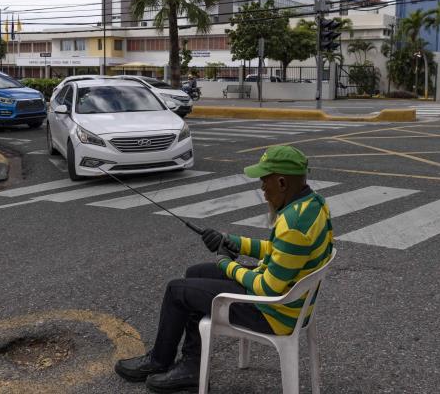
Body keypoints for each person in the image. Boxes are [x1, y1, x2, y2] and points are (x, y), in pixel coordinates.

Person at [114, 145, 334, 393]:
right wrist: (231, 241)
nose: (262, 189)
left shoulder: (293, 224)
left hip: (273, 312)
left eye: (265, 181)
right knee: (196, 273)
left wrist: (227, 265)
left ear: (282, 182)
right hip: (289, 301)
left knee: (177, 290)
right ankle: (191, 365)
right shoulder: (313, 204)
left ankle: (160, 361)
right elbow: (277, 250)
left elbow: (267, 287)